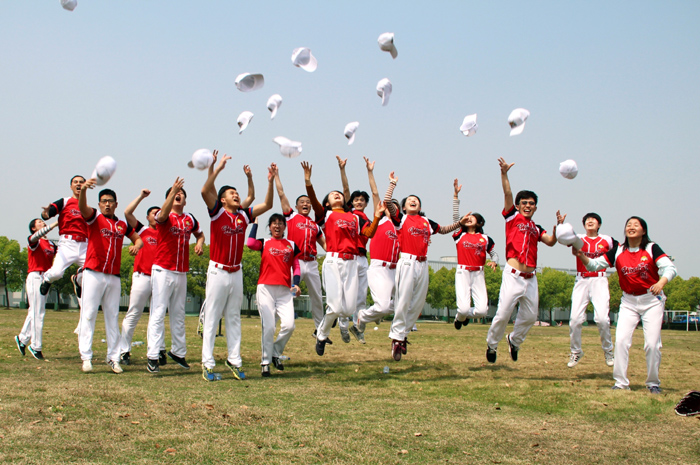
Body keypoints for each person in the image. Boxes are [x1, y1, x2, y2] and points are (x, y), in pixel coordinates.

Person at [575, 216, 676, 393]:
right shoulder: (619, 250)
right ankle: (621, 383)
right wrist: (581, 255)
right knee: (621, 341)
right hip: (629, 301)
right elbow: (594, 265)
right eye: (628, 224)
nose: (631, 227)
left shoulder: (651, 248)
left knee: (652, 345)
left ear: (643, 231)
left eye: (636, 225)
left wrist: (661, 283)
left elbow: (670, 268)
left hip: (651, 300)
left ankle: (653, 383)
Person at [200, 152, 274, 382]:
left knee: (234, 317)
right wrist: (217, 168)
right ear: (222, 200)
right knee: (212, 317)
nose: (236, 195)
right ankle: (207, 363)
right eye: (231, 193)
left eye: (236, 193)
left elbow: (267, 204)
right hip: (218, 271)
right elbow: (204, 190)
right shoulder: (217, 212)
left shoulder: (243, 214)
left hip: (236, 272)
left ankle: (234, 360)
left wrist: (269, 181)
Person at [305, 163, 385, 356]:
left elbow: (369, 233)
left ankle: (333, 327)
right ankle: (321, 335)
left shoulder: (354, 218)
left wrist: (376, 217)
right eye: (333, 194)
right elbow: (314, 201)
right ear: (327, 203)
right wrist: (308, 181)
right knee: (334, 307)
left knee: (348, 309)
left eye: (339, 194)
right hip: (334, 261)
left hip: (352, 263)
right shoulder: (326, 214)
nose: (337, 194)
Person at [485, 158, 558, 363]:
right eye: (524, 203)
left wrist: (557, 231)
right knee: (503, 314)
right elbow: (507, 193)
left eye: (531, 203)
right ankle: (492, 344)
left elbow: (550, 242)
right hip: (513, 275)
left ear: (536, 207)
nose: (527, 205)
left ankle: (514, 341)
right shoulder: (512, 217)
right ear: (517, 206)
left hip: (531, 278)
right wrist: (504, 174)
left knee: (530, 317)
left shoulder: (536, 228)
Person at [384, 172, 460, 361]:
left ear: (420, 206)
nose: (413, 201)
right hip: (407, 262)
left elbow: (444, 229)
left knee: (418, 303)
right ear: (403, 207)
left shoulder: (426, 222)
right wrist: (392, 184)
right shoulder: (401, 219)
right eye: (410, 200)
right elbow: (387, 203)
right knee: (403, 300)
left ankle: (402, 335)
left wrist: (460, 222)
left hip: (423, 263)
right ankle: (397, 338)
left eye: (416, 200)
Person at [76, 179, 142, 373]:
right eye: (104, 201)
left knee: (112, 317)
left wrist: (137, 246)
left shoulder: (121, 225)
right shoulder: (94, 217)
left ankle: (113, 358)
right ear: (99, 204)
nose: (107, 204)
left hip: (113, 276)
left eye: (110, 201)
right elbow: (82, 208)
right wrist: (84, 190)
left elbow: (138, 238)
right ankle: (86, 357)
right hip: (93, 273)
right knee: (89, 314)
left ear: (116, 204)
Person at [146, 178, 205, 373]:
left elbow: (200, 234)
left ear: (186, 201)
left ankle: (178, 352)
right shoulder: (164, 215)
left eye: (182, 195)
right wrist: (172, 191)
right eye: (175, 194)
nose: (179, 196)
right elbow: (161, 215)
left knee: (179, 313)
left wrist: (199, 243)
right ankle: (153, 355)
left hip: (181, 272)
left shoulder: (190, 219)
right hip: (163, 269)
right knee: (158, 312)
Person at [246, 215, 302, 377]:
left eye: (280, 223)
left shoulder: (292, 245)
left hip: (285, 291)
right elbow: (250, 243)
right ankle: (265, 362)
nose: (277, 226)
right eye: (274, 224)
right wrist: (255, 225)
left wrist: (296, 283)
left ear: (285, 227)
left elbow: (296, 266)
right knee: (269, 327)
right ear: (270, 227)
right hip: (266, 289)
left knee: (289, 325)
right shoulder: (264, 242)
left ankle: (275, 352)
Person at [274, 163, 326, 335]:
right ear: (296, 206)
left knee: (317, 296)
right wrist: (276, 175)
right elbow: (281, 193)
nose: (306, 204)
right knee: (285, 293)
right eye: (302, 202)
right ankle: (272, 324)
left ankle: (320, 331)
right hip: (294, 262)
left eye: (308, 203)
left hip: (311, 263)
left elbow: (325, 245)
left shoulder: (315, 225)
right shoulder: (291, 216)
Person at [565, 212, 616, 368]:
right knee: (575, 320)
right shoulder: (579, 238)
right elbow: (564, 237)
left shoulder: (607, 240)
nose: (590, 221)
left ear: (599, 224)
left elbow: (621, 252)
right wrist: (561, 225)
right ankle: (576, 351)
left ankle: (608, 350)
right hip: (581, 280)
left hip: (599, 279)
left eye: (593, 219)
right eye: (587, 220)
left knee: (602, 319)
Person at [118, 189, 161, 366]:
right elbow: (127, 213)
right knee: (134, 313)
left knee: (157, 316)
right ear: (148, 217)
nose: (157, 215)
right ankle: (123, 351)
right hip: (142, 276)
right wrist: (141, 197)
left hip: (160, 279)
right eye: (154, 213)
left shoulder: (166, 234)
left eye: (160, 213)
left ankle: (156, 351)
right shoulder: (142, 230)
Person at [451, 179, 499, 329]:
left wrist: (495, 261)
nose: (468, 218)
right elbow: (455, 217)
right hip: (463, 272)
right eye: (467, 218)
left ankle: (464, 316)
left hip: (479, 274)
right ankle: (460, 316)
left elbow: (494, 254)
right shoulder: (459, 235)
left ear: (479, 223)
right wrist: (455, 196)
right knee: (463, 308)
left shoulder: (485, 238)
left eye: (472, 218)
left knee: (482, 311)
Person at [336, 156, 373, 343]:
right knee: (346, 293)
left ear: (366, 203)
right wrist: (342, 170)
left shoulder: (369, 220)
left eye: (362, 200)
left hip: (363, 258)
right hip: (349, 257)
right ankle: (343, 325)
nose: (358, 202)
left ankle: (358, 327)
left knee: (361, 296)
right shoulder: (349, 213)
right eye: (356, 200)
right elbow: (345, 190)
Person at [15, 219, 58, 360]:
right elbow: (35, 238)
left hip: (45, 278)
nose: (42, 222)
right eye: (39, 222)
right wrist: (54, 224)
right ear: (33, 228)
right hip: (35, 276)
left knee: (35, 311)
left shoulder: (51, 244)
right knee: (38, 313)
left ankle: (22, 338)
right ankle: (35, 346)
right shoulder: (34, 240)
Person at [39, 175, 87, 297]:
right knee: (56, 274)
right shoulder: (65, 201)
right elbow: (48, 214)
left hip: (85, 245)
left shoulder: (87, 208)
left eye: (81, 182)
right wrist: (45, 214)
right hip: (67, 244)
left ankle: (78, 279)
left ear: (85, 186)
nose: (78, 184)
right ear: (71, 186)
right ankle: (47, 279)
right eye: (75, 182)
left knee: (93, 272)